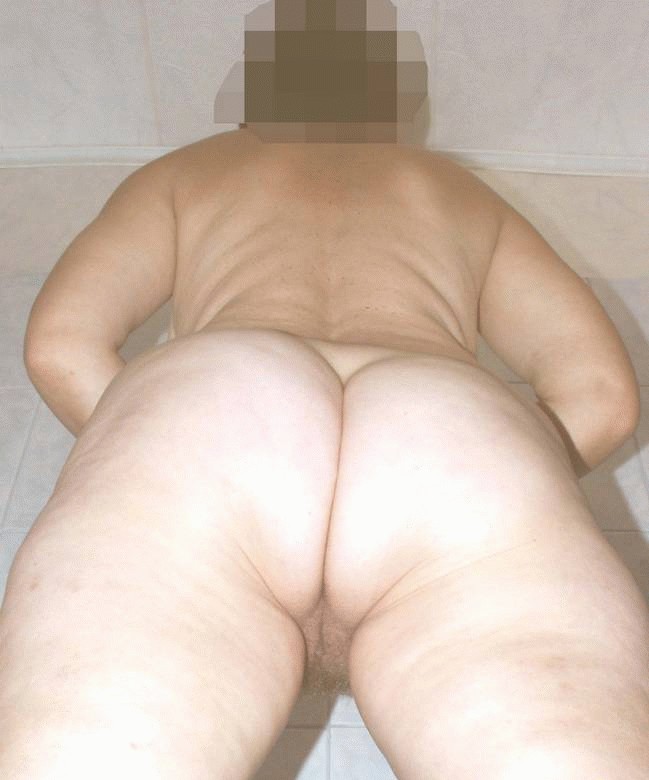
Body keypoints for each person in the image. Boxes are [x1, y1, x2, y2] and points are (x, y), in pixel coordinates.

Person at [2, 4, 648, 776]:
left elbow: (59, 342)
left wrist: (140, 442)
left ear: (251, 99)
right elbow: (601, 393)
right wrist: (511, 473)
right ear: (396, 108)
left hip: (219, 401)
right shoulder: (453, 190)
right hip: (446, 426)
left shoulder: (191, 170)